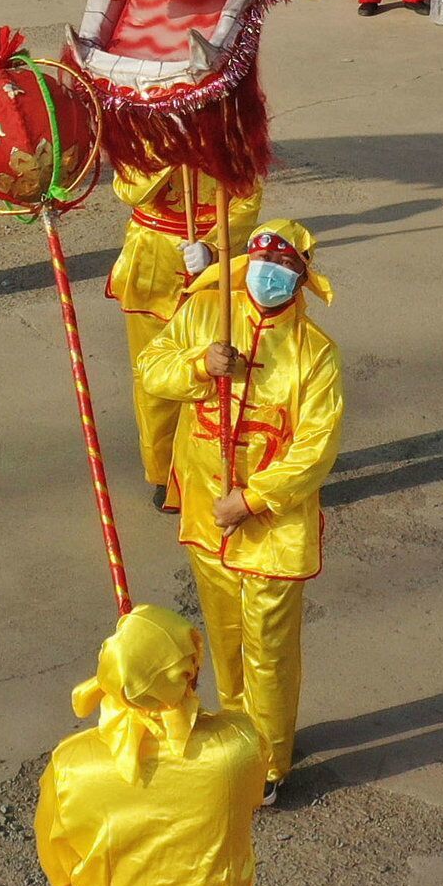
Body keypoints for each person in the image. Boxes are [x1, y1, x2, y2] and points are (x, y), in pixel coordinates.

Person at [136, 219, 344, 804]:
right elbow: (151, 368)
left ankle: (272, 761)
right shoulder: (208, 315)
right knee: (224, 638)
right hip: (206, 514)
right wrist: (201, 365)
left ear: (300, 281)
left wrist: (252, 499)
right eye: (260, 262)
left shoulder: (316, 354)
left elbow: (315, 446)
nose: (268, 276)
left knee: (270, 650)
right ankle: (234, 736)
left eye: (283, 269)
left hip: (273, 526)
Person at [36, 604, 268, 886]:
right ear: (189, 673)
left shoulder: (71, 763)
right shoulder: (238, 746)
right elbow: (254, 794)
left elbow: (60, 870)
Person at [108, 165, 262, 512]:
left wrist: (213, 246)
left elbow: (247, 198)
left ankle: (221, 466)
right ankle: (164, 473)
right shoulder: (142, 131)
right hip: (152, 266)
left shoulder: (227, 129)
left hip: (212, 265)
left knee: (222, 370)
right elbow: (128, 190)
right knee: (153, 379)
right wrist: (166, 156)